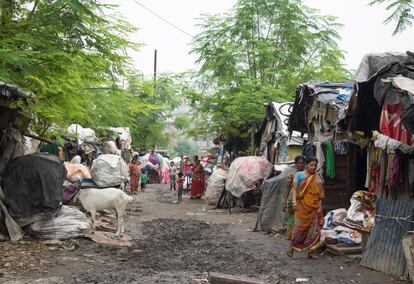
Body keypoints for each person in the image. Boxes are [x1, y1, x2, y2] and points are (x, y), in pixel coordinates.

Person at [287, 157, 324, 259]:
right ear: (306, 165)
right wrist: (294, 202)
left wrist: (320, 206)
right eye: (311, 165)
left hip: (314, 207)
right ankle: (291, 247)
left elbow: (319, 193)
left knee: (314, 230)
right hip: (302, 207)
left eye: (315, 165)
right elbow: (294, 190)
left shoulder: (317, 177)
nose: (314, 167)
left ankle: (311, 252)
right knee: (299, 229)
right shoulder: (299, 175)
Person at [284, 155, 306, 240]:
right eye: (299, 163)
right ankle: (292, 236)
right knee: (293, 219)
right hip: (293, 199)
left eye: (302, 163)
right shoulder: (293, 175)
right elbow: (287, 188)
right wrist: (284, 201)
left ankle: (301, 236)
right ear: (295, 164)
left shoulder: (307, 175)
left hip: (303, 200)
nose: (301, 165)